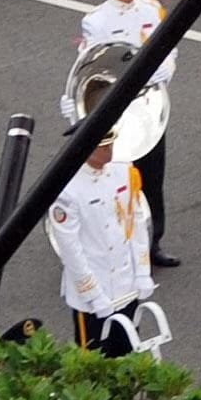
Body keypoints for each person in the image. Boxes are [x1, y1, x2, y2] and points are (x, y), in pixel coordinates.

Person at [77, 0, 178, 264]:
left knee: (152, 177)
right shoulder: (97, 21)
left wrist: (159, 76)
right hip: (118, 112)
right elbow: (91, 67)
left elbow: (168, 48)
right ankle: (115, 242)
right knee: (118, 177)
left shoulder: (151, 9)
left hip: (149, 108)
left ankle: (152, 242)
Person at [50, 134, 153, 353]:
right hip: (94, 294)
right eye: (102, 146)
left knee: (130, 357)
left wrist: (142, 271)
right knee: (93, 366)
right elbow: (71, 250)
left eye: (111, 144)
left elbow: (135, 221)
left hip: (126, 286)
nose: (110, 151)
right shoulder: (67, 189)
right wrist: (93, 295)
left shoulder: (123, 169)